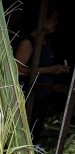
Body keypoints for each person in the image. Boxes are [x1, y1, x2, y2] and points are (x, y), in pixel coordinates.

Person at [14, 7, 70, 142]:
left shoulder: (47, 42)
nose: (56, 23)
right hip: (30, 97)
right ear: (43, 19)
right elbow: (17, 69)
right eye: (53, 19)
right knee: (27, 134)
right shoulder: (28, 43)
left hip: (42, 97)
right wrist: (49, 70)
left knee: (36, 134)